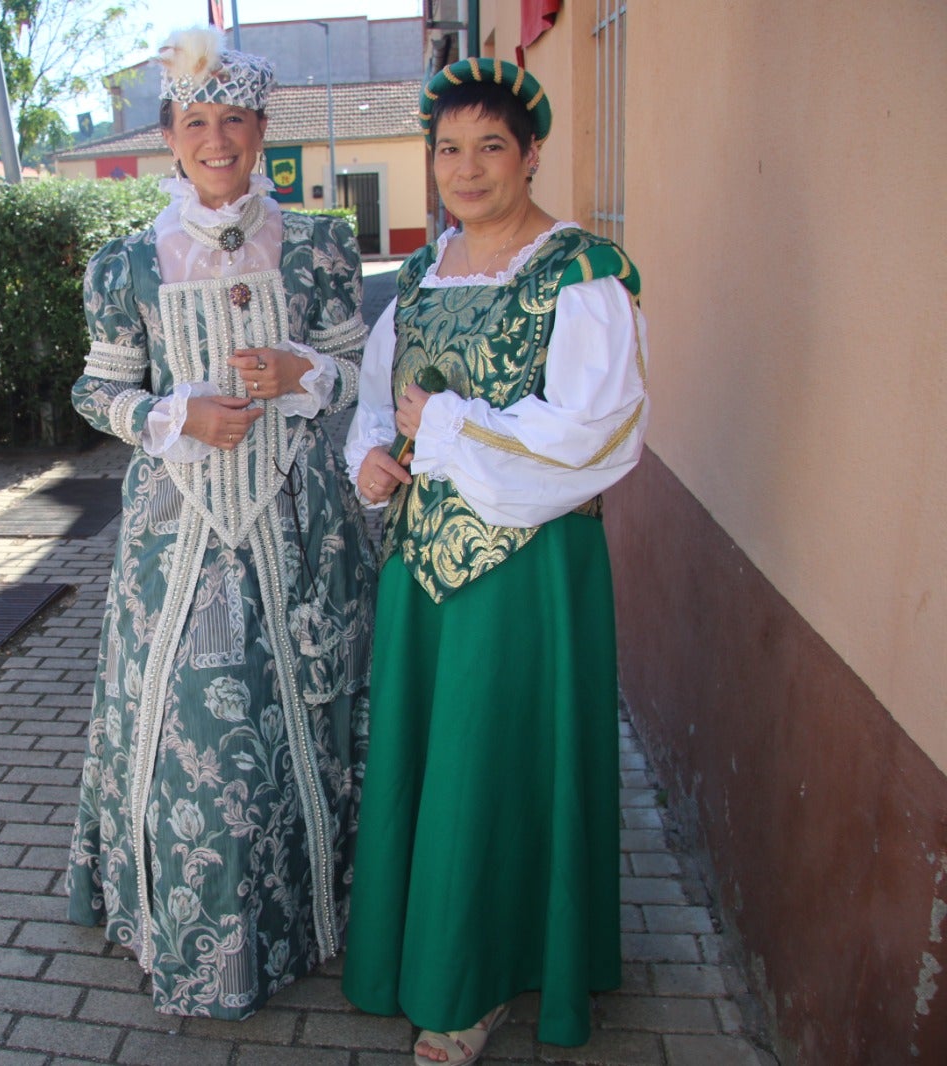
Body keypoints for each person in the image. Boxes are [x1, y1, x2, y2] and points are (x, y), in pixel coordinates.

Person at [340, 57, 650, 1063]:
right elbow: (375, 405)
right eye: (446, 149)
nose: (463, 169)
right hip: (422, 574)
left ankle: (473, 987)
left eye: (488, 147)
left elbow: (595, 435)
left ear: (530, 156)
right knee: (434, 764)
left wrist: (448, 429)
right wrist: (378, 460)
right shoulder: (422, 276)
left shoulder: (580, 273)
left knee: (494, 764)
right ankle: (429, 955)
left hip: (525, 575)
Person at [66, 28, 377, 1020]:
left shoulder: (321, 243)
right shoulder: (126, 264)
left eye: (232, 120)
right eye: (195, 122)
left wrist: (299, 374)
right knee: (192, 732)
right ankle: (200, 942)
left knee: (305, 716)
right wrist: (174, 418)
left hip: (302, 529)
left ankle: (313, 921)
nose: (215, 138)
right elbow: (95, 390)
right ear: (170, 135)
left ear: (258, 129)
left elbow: (361, 379)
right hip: (178, 536)